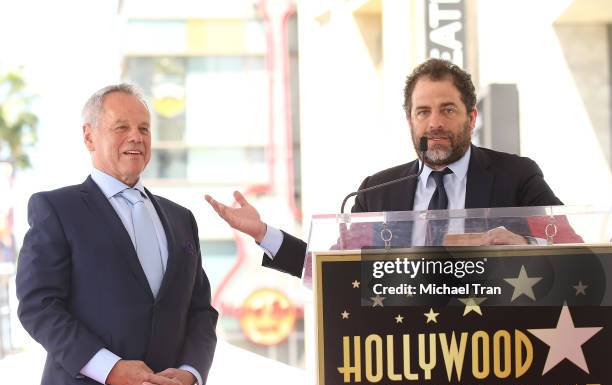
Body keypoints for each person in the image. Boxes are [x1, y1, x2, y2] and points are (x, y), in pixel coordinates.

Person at [205, 58, 562, 277]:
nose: (434, 122)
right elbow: (332, 272)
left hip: (498, 353)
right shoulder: (377, 192)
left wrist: (525, 246)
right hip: (404, 359)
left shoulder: (516, 177)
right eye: (423, 112)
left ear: (472, 117)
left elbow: (577, 252)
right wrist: (264, 233)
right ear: (410, 121)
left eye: (448, 110)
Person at [16, 84, 218, 385]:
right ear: (89, 136)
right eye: (121, 126)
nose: (136, 137)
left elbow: (200, 311)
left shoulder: (182, 219)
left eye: (144, 128)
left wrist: (189, 373)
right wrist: (111, 370)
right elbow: (39, 306)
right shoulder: (56, 209)